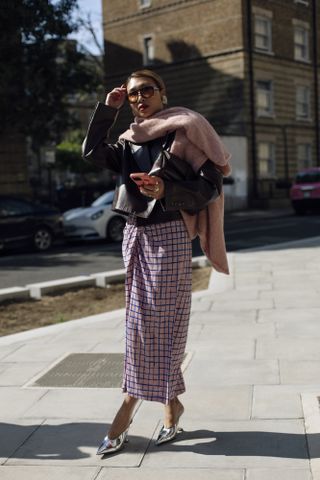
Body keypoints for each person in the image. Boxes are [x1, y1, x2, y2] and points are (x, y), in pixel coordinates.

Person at [82, 69, 231, 456]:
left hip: (169, 235)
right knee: (139, 321)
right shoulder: (129, 140)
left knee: (156, 323)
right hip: (134, 235)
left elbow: (211, 183)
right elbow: (92, 152)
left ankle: (128, 404)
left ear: (163, 93)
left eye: (146, 90)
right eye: (132, 94)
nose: (139, 98)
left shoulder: (186, 130)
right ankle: (171, 403)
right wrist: (107, 111)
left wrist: (167, 190)